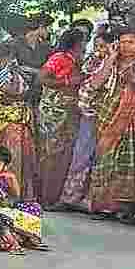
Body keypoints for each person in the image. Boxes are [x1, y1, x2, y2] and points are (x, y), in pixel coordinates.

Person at [87, 26, 135, 223]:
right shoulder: (111, 60)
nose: (126, 46)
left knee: (129, 160)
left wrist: (134, 80)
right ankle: (104, 204)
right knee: (106, 156)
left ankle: (126, 207)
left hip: (132, 116)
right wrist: (111, 58)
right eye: (122, 42)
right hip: (107, 112)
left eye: (131, 42)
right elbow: (96, 82)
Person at [60, 31, 116, 211]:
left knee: (98, 158)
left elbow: (99, 84)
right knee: (82, 154)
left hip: (105, 116)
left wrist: (111, 58)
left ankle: (92, 201)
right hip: (89, 114)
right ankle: (71, 197)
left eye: (102, 46)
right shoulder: (95, 61)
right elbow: (92, 80)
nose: (98, 50)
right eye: (96, 45)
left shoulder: (115, 64)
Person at [36, 29, 86, 208]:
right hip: (54, 113)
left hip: (68, 113)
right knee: (51, 154)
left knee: (63, 155)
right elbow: (42, 78)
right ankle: (45, 197)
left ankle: (54, 197)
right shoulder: (59, 58)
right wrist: (67, 82)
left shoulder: (77, 60)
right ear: (77, 43)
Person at [0, 46, 39, 200]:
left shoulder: (7, 72)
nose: (12, 61)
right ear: (3, 59)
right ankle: (3, 191)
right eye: (9, 58)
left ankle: (18, 191)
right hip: (1, 121)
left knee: (19, 157)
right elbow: (14, 91)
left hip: (13, 120)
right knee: (5, 155)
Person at [0, 146, 47, 254]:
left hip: (8, 205)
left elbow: (16, 196)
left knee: (35, 207)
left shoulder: (7, 176)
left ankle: (30, 237)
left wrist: (11, 180)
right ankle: (12, 242)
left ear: (6, 166)